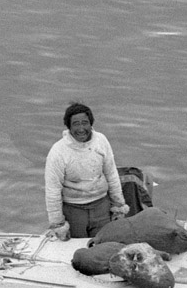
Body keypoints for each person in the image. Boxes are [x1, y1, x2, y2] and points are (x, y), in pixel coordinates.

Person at [45, 102, 129, 240]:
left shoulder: (101, 141)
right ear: (69, 127)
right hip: (74, 210)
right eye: (76, 124)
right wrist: (58, 224)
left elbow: (111, 174)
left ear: (91, 124)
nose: (81, 128)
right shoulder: (58, 152)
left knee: (103, 245)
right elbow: (52, 190)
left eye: (85, 123)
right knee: (76, 251)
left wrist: (118, 206)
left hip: (102, 206)